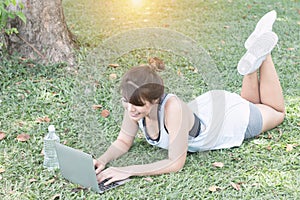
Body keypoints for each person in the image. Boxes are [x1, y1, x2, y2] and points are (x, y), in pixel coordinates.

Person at [94, 10, 285, 185]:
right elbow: (123, 142)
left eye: (136, 105)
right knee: (252, 104)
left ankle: (264, 54)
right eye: (126, 103)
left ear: (155, 99)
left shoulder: (172, 108)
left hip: (228, 121)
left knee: (277, 111)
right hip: (210, 107)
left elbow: (176, 162)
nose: (130, 109)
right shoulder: (133, 103)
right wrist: (102, 160)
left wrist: (127, 170)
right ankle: (252, 61)